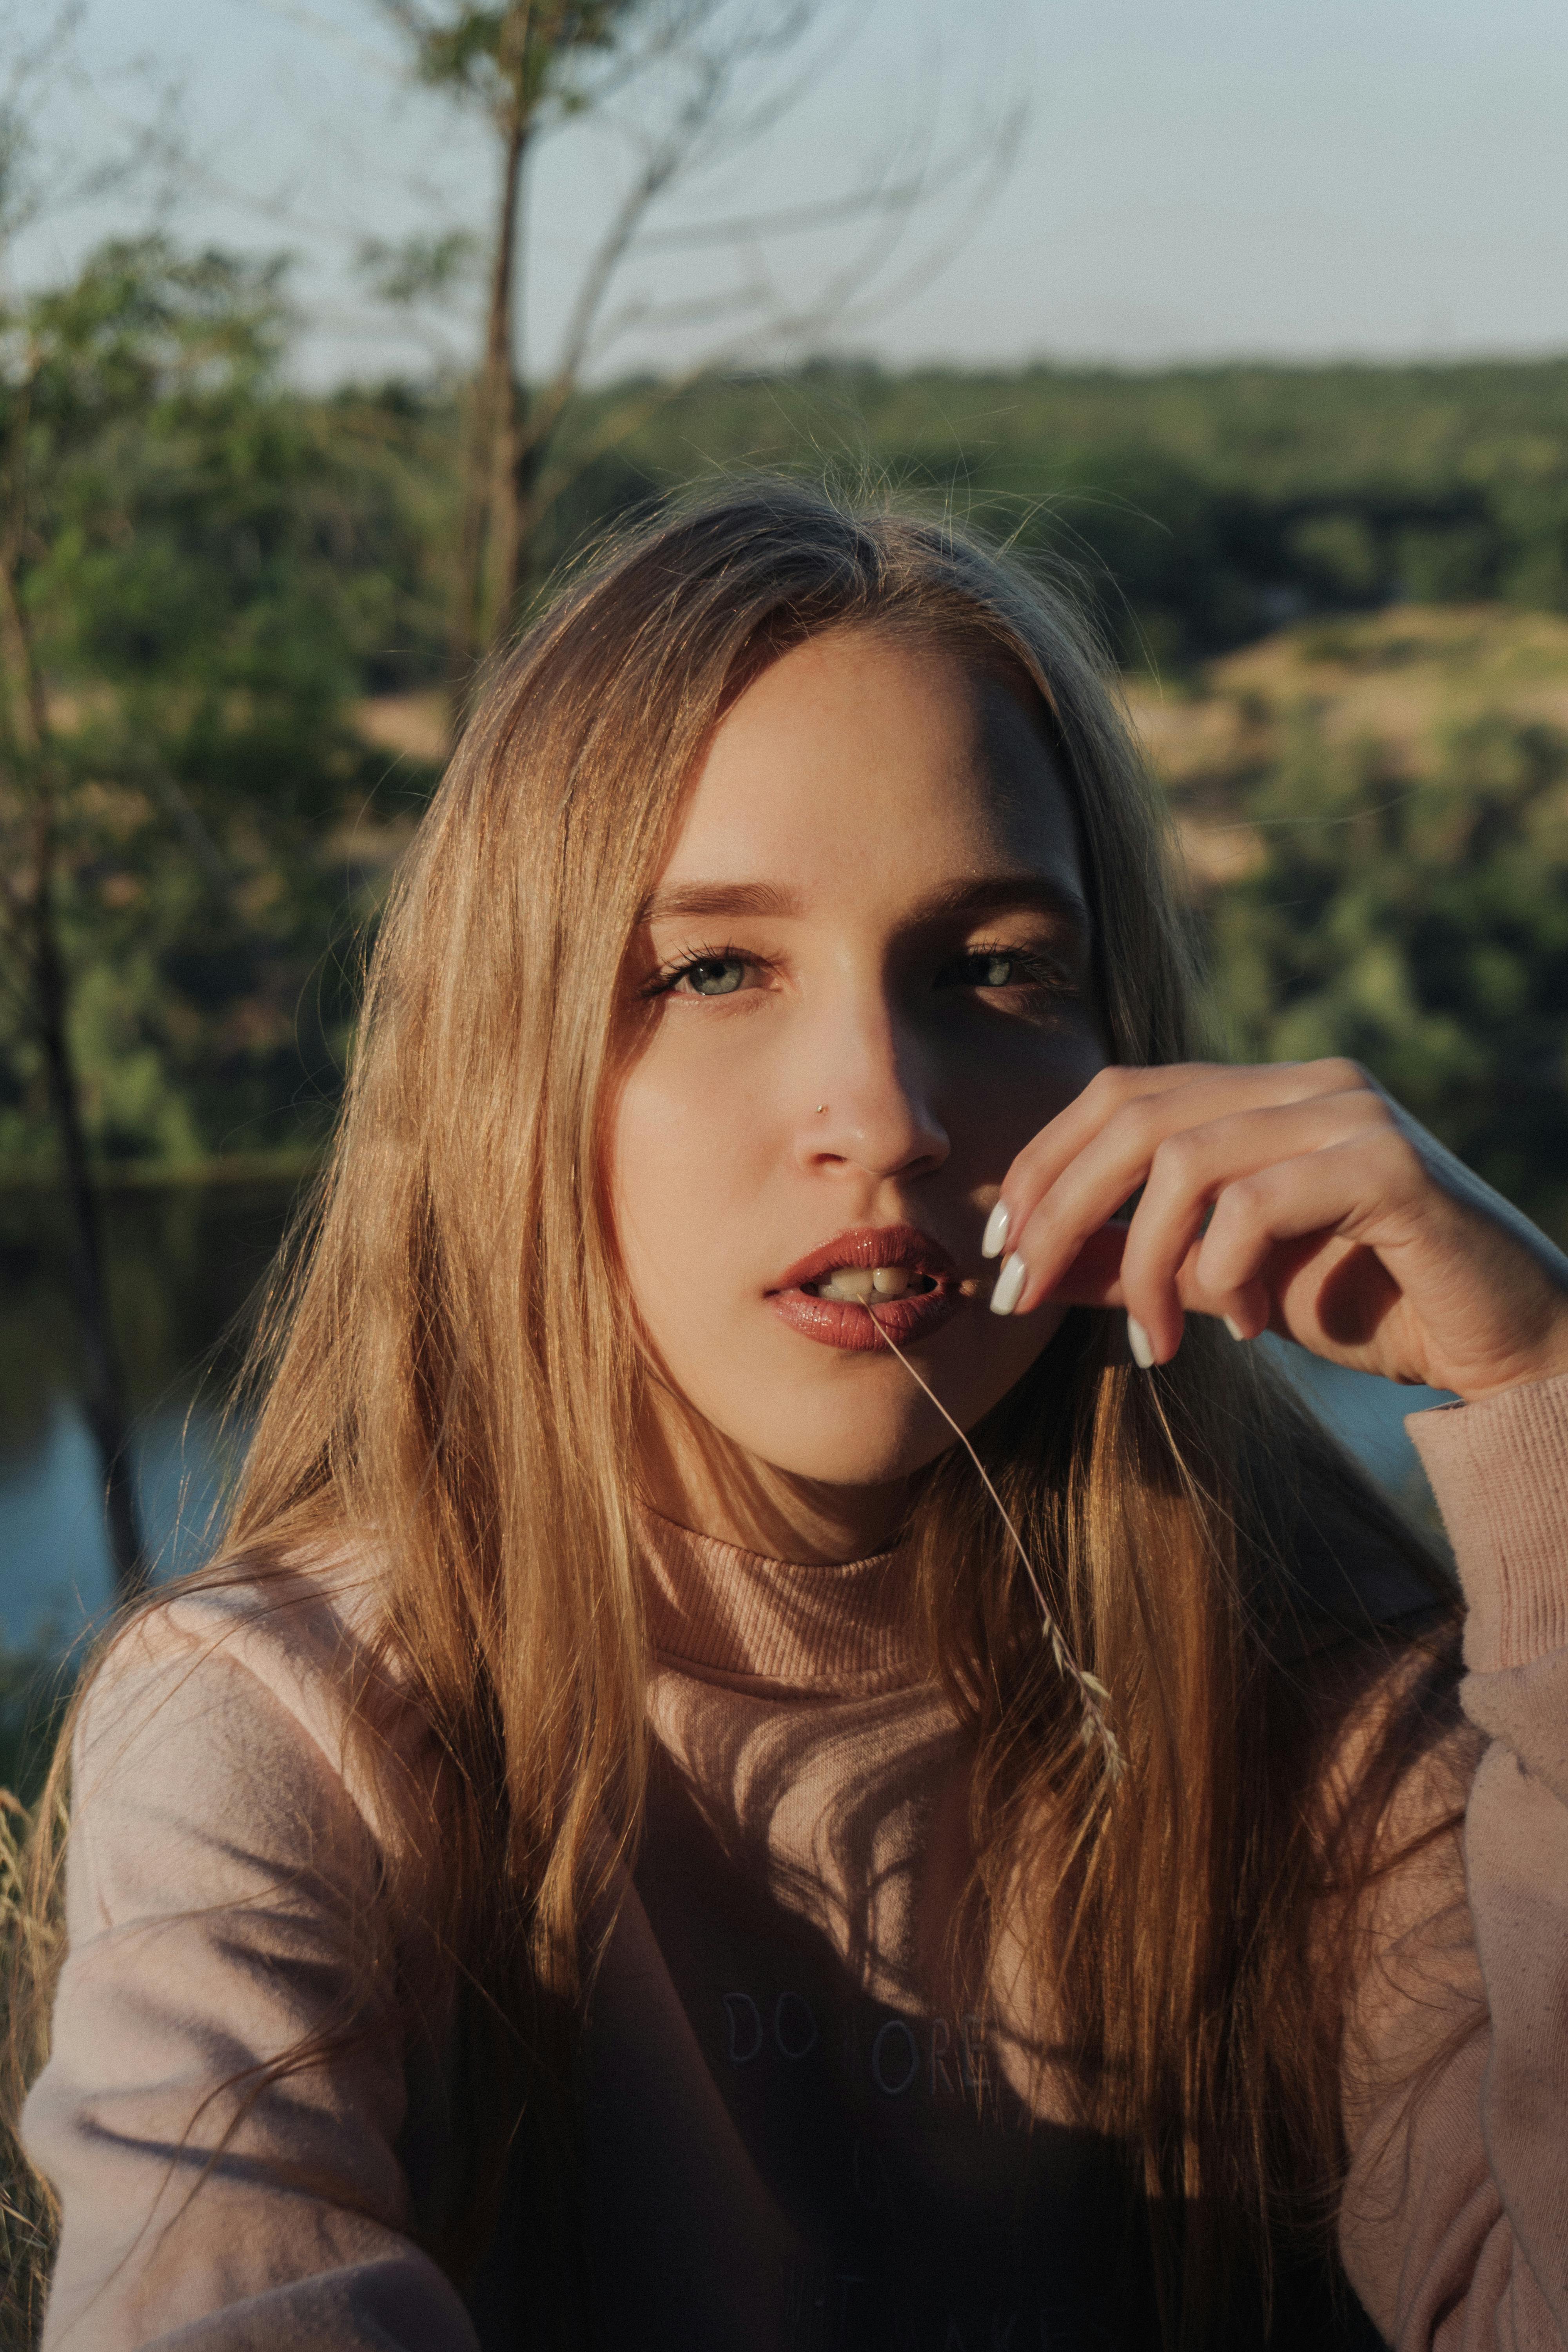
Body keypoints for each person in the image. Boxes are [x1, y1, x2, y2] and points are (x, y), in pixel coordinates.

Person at [10, 482, 1568, 2352]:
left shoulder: (1323, 1714)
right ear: (510, 1065)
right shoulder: (290, 1732)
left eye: (994, 967)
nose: (886, 1111)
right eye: (716, 969)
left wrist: (1543, 1395)